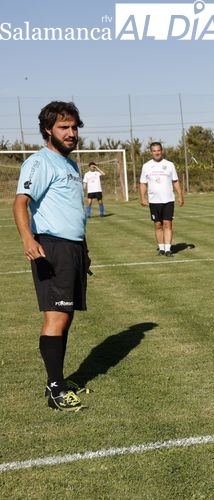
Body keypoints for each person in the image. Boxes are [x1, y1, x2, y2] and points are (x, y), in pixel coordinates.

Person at [12, 101, 91, 412]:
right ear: (48, 130)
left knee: (66, 315)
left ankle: (57, 379)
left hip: (72, 248)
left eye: (74, 127)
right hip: (51, 247)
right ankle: (56, 387)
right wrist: (28, 239)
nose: (71, 133)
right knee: (55, 316)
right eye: (64, 127)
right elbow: (20, 203)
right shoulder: (39, 162)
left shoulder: (71, 165)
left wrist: (83, 249)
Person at [139, 142, 183, 256]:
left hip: (168, 200)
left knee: (167, 223)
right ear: (151, 152)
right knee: (158, 225)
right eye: (154, 151)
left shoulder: (170, 165)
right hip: (154, 201)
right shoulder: (146, 166)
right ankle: (161, 248)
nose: (156, 153)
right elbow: (143, 183)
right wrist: (142, 197)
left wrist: (180, 195)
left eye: (158, 150)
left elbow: (175, 181)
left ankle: (168, 249)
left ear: (162, 151)